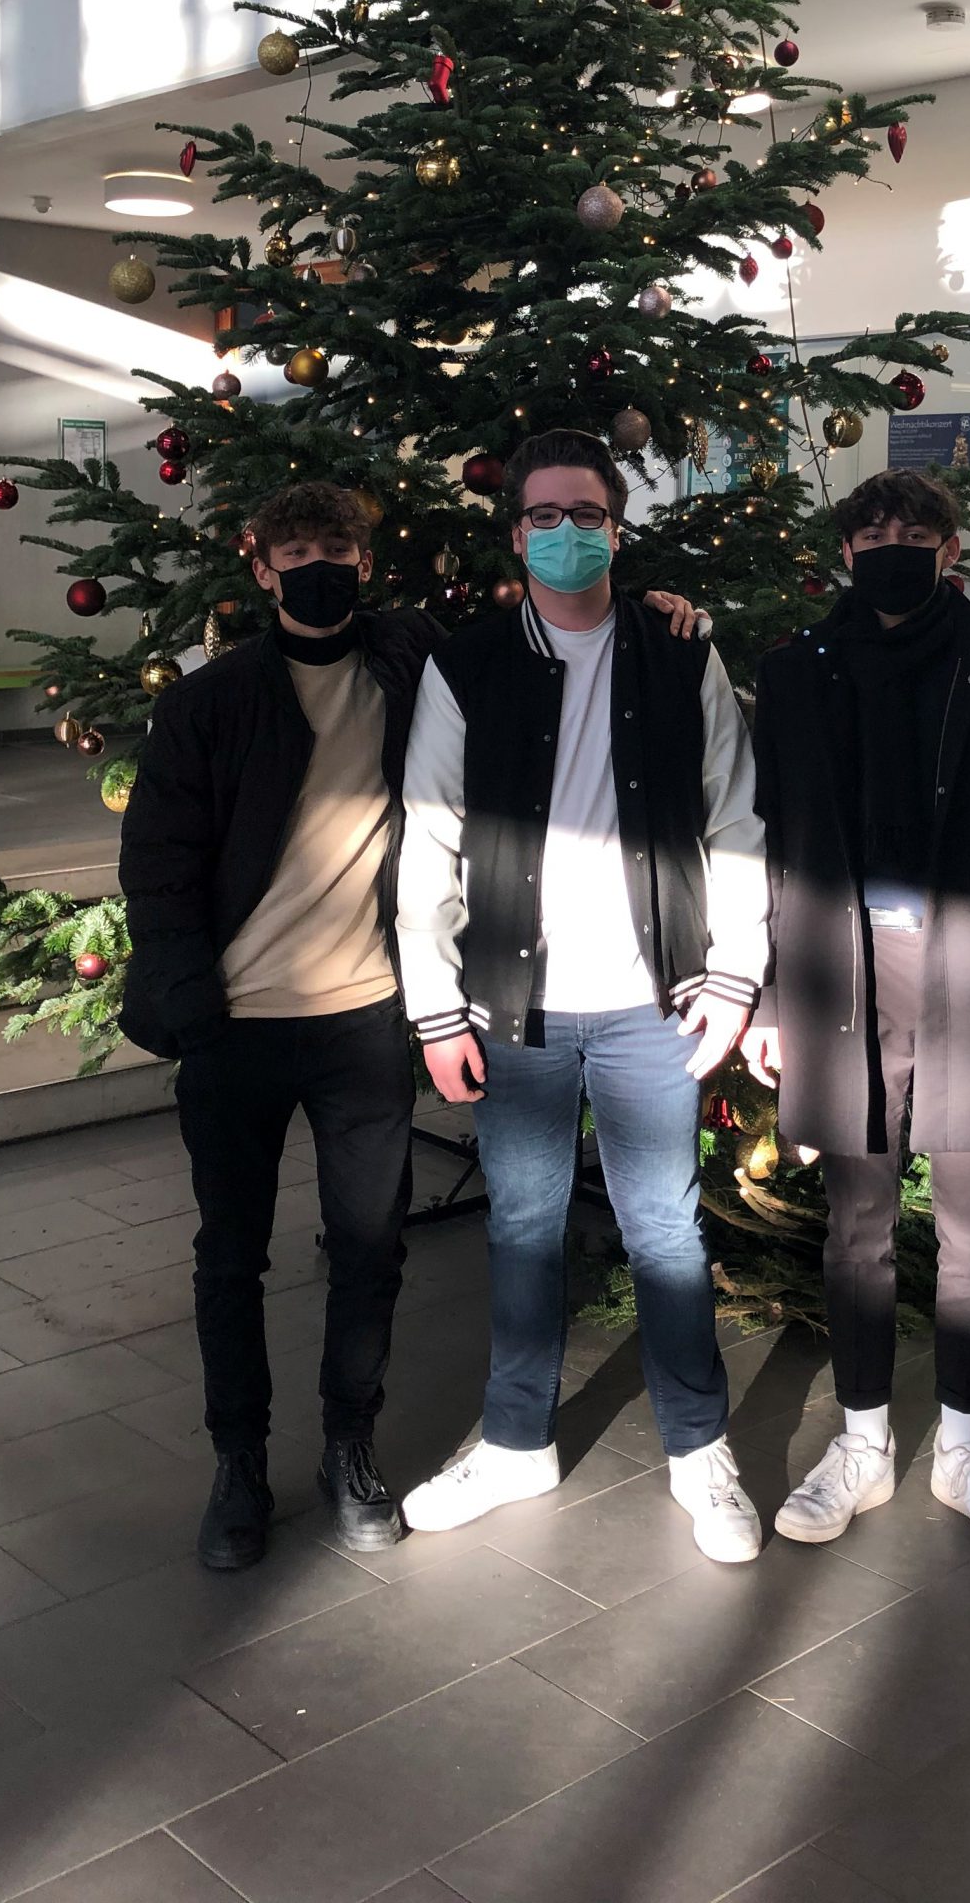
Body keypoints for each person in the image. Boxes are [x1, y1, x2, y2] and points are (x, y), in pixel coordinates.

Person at [119, 479, 705, 1573]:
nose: (318, 569)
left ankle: (350, 1447)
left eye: (336, 550)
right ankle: (239, 1463)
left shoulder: (411, 661)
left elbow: (541, 633)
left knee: (368, 1249)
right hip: (237, 1026)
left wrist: (660, 607)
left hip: (363, 1023)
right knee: (230, 1256)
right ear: (261, 567)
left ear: (364, 561)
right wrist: (194, 1004)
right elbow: (156, 865)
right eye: (296, 553)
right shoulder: (211, 700)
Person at [395, 430, 772, 1563]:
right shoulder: (466, 666)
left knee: (666, 1229)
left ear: (618, 525)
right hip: (516, 1007)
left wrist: (736, 974)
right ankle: (517, 1443)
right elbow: (429, 838)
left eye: (589, 514)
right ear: (516, 533)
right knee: (522, 1226)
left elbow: (735, 819)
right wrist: (434, 1005)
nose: (569, 533)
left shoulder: (679, 653)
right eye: (546, 515)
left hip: (656, 1003)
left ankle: (699, 1450)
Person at [747, 466, 970, 1556]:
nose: (892, 546)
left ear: (950, 550)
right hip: (839, 978)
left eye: (915, 531)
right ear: (846, 551)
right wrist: (766, 994)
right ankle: (861, 1444)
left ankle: (963, 1449)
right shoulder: (794, 671)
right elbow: (771, 845)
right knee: (855, 1225)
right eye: (873, 532)